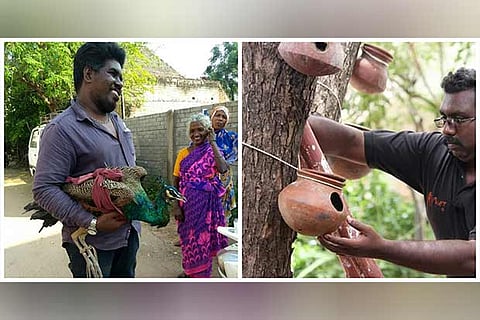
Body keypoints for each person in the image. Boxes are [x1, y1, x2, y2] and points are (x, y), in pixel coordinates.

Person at [309, 67, 475, 277]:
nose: (447, 129)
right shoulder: (434, 151)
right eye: (444, 118)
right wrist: (293, 124)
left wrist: (381, 248)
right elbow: (352, 143)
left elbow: (472, 258)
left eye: (459, 119)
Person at [32, 42, 140, 277]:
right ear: (88, 73)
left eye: (121, 75)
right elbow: (44, 189)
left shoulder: (118, 122)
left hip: (129, 235)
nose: (120, 82)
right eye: (113, 73)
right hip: (92, 246)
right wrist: (91, 223)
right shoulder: (62, 129)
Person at [172, 113, 229, 277]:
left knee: (203, 239)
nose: (196, 134)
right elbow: (175, 180)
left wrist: (212, 142)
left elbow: (223, 168)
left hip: (208, 206)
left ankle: (201, 274)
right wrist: (176, 205)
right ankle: (189, 270)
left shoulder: (213, 150)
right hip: (187, 205)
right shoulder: (183, 154)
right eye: (192, 131)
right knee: (188, 238)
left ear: (208, 131)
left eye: (200, 130)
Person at [210, 105, 238, 222]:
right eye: (217, 115)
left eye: (224, 117)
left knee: (221, 215)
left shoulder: (231, 137)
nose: (220, 119)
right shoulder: (202, 135)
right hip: (205, 179)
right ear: (211, 117)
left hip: (223, 179)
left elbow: (228, 162)